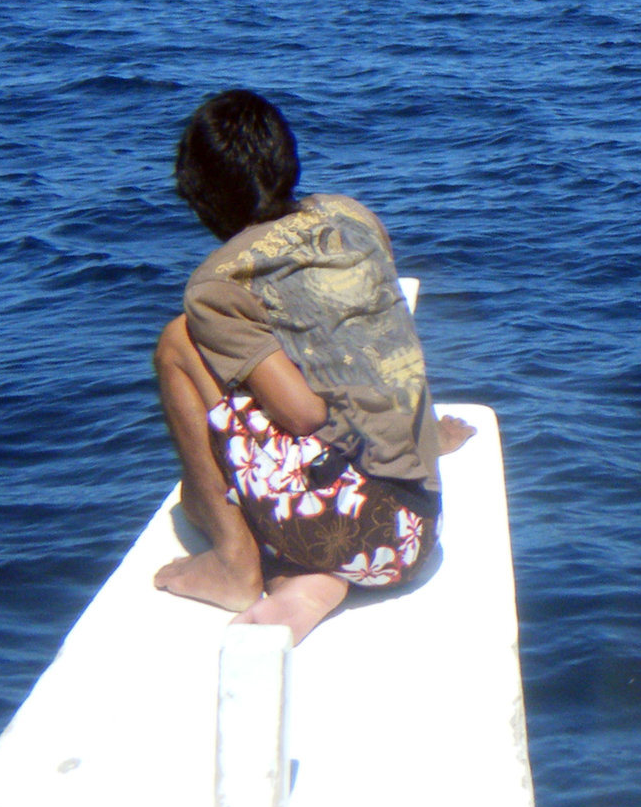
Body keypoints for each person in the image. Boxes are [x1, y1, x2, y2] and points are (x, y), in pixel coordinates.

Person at [151, 88, 471, 644]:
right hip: (418, 527)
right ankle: (317, 578)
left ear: (198, 195)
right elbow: (372, 348)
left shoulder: (217, 284)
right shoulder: (353, 217)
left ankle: (234, 564)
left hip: (356, 533)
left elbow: (300, 416)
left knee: (177, 343)